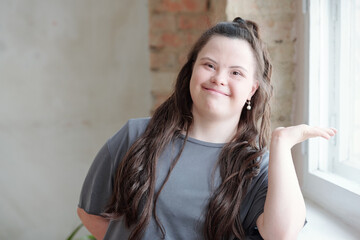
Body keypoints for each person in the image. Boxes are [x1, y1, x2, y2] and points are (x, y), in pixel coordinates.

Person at [77, 17, 336, 240]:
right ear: (192, 70)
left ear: (252, 89)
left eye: (236, 73)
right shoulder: (135, 136)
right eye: (209, 65)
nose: (219, 78)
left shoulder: (257, 166)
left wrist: (280, 143)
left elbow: (282, 235)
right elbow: (90, 213)